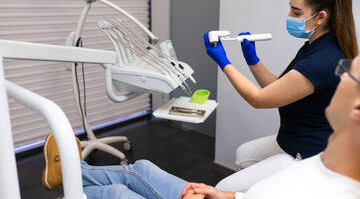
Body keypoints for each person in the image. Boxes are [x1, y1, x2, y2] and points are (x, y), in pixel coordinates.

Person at [42, 55, 360, 199]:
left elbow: (265, 97)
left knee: (115, 192)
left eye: (347, 72)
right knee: (141, 168)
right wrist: (226, 196)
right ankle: (72, 171)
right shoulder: (322, 164)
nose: (339, 76)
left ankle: (73, 183)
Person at [204, 0, 358, 191]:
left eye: (296, 12)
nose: (289, 15)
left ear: (321, 17)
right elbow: (277, 87)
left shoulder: (322, 59)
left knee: (222, 186)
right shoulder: (315, 44)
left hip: (303, 153)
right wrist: (252, 59)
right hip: (291, 137)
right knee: (243, 154)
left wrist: (223, 62)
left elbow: (259, 99)